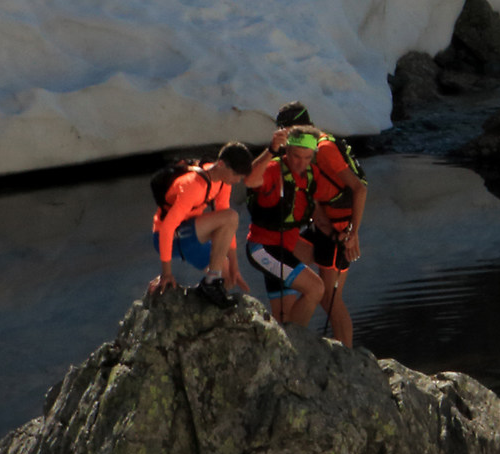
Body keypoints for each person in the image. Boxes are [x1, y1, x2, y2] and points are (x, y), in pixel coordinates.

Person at [275, 103, 361, 348]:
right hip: (325, 229)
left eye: (286, 131)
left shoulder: (323, 148)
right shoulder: (310, 148)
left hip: (338, 232)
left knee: (331, 301)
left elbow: (359, 189)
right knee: (314, 286)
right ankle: (293, 333)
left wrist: (353, 233)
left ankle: (347, 357)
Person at [243, 133, 328, 329]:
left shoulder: (311, 174)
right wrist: (271, 149)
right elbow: (249, 180)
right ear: (287, 152)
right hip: (262, 249)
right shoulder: (273, 169)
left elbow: (318, 208)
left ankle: (285, 346)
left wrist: (343, 234)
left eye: (307, 157)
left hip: (284, 250)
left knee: (284, 316)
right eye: (297, 156)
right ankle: (293, 343)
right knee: (315, 288)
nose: (302, 163)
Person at [149, 143, 256, 294]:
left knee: (227, 278)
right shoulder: (192, 185)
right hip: (167, 238)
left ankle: (212, 289)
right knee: (231, 216)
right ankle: (211, 283)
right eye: (236, 174)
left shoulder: (222, 183)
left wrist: (234, 266)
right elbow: (167, 227)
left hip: (190, 236)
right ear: (221, 164)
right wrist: (166, 274)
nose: (237, 180)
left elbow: (228, 227)